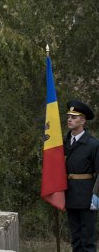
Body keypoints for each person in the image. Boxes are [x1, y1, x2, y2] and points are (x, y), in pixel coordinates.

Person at [63, 100, 99, 252]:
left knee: (87, 241)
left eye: (74, 117)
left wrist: (96, 196)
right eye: (69, 116)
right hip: (70, 195)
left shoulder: (93, 144)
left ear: (83, 120)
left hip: (86, 197)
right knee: (76, 239)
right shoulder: (64, 142)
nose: (70, 119)